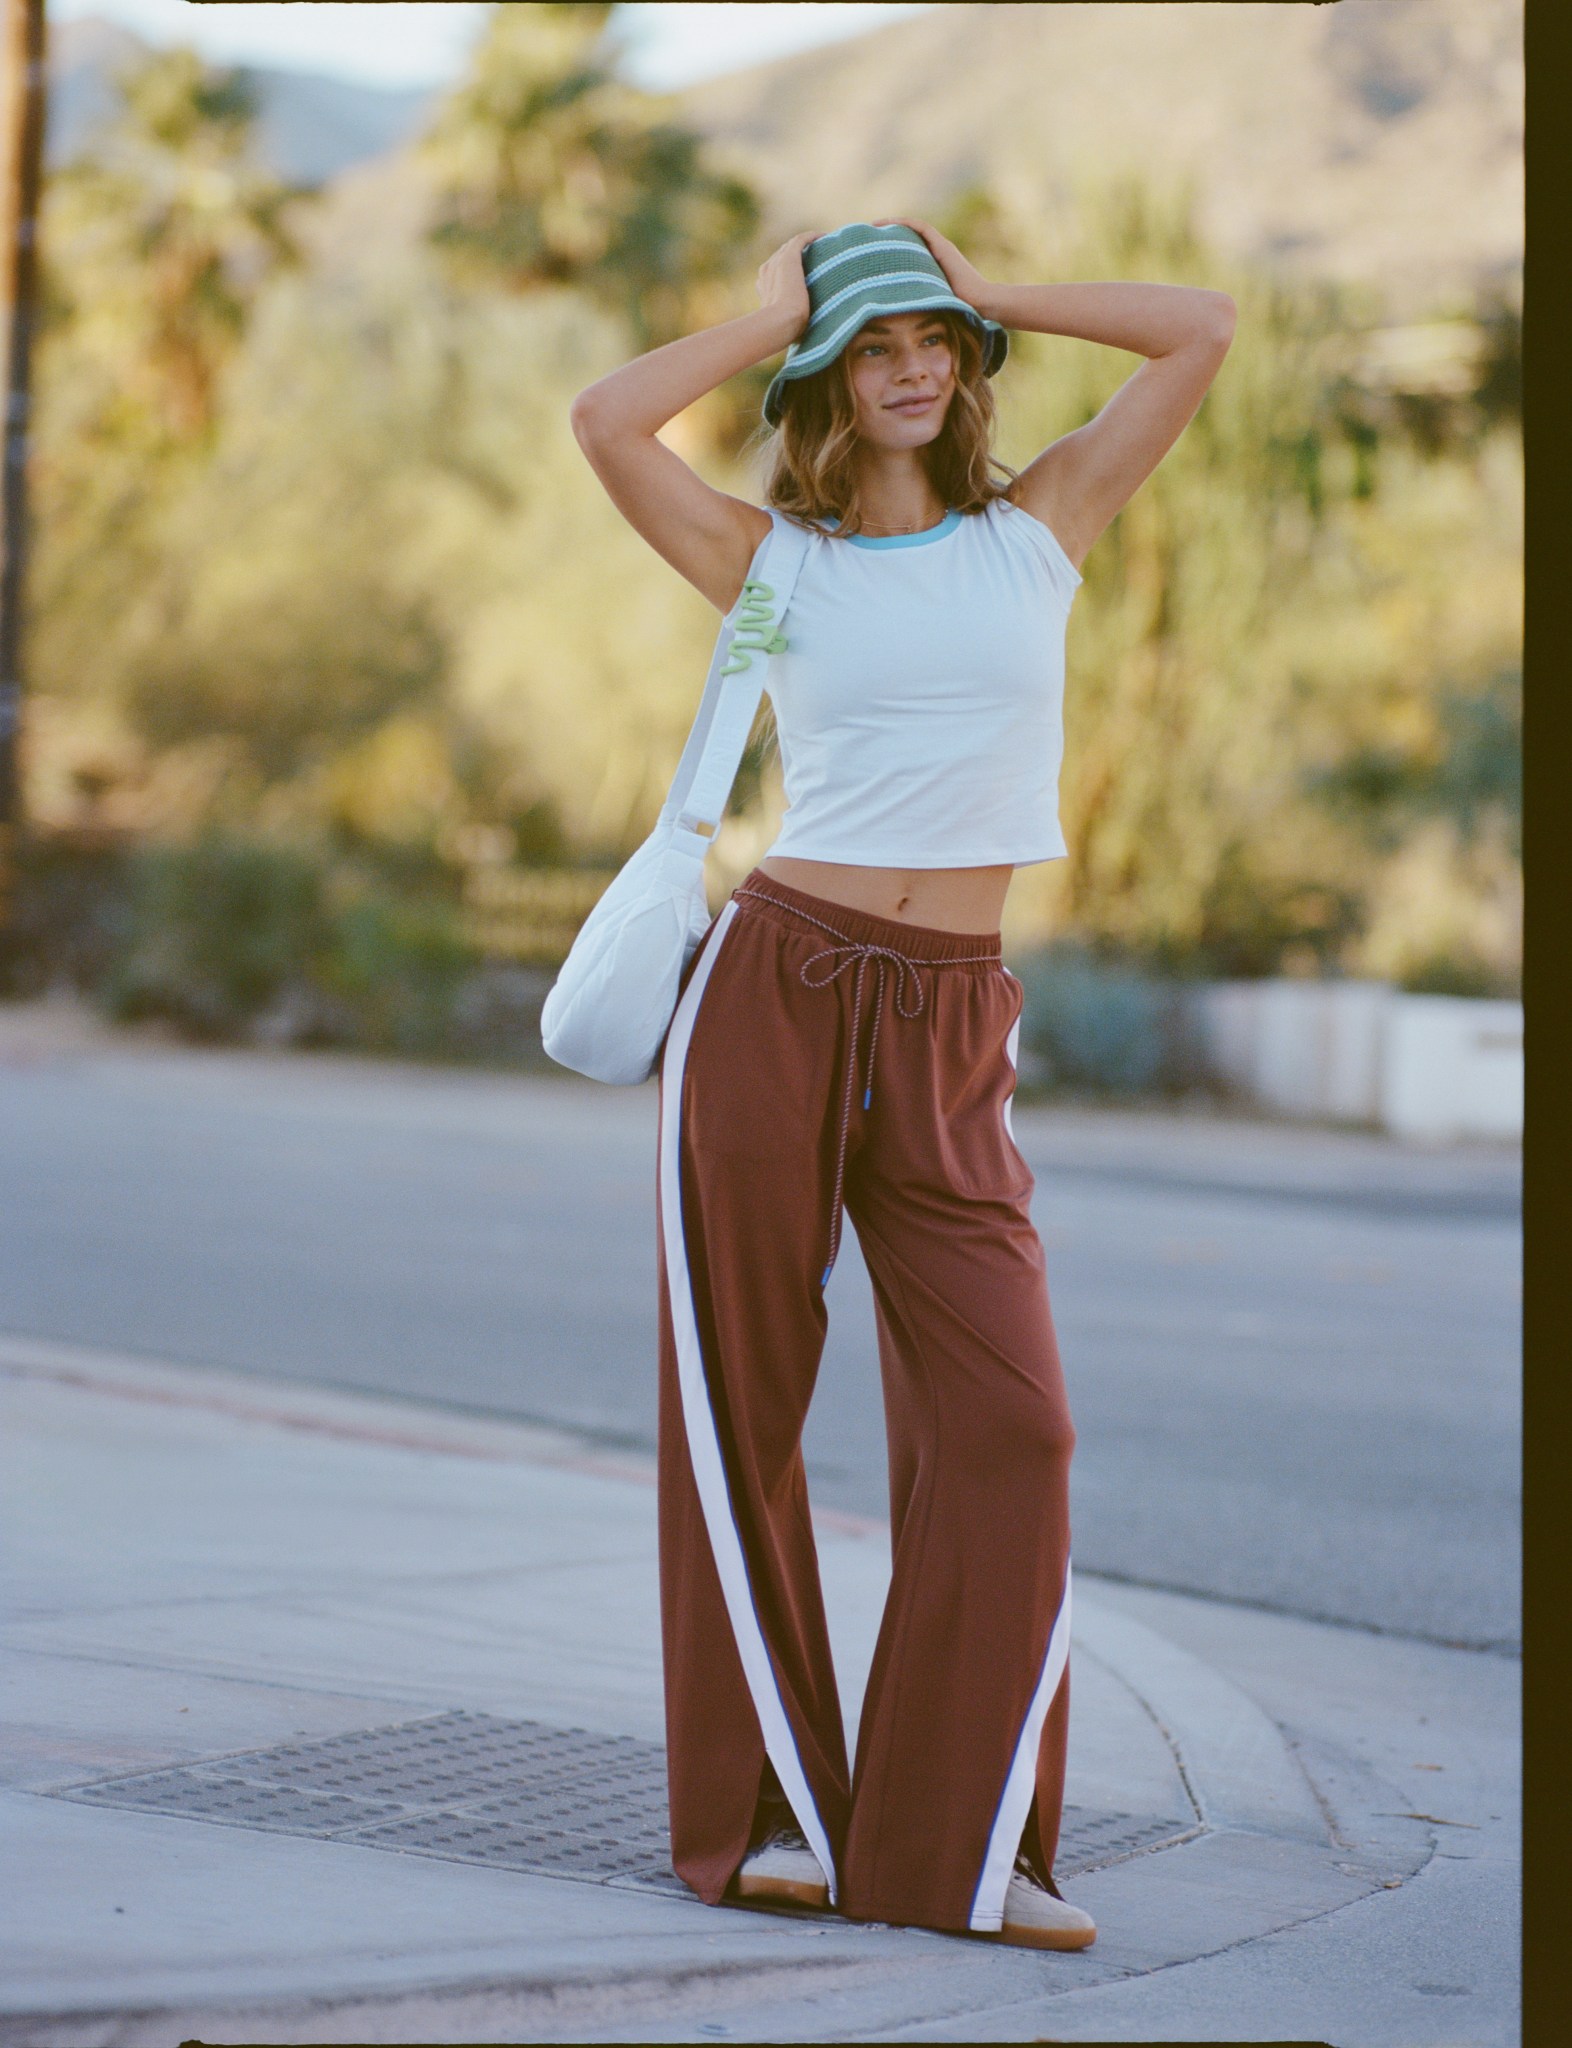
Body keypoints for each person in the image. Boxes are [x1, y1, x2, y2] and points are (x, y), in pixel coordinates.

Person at [570, 218, 1235, 1950]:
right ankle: (764, 1814)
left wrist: (980, 278)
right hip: (776, 991)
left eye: (935, 340)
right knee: (743, 1417)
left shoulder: (1043, 532)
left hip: (951, 1011)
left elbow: (1198, 330)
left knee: (1015, 1426)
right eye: (877, 347)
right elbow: (605, 421)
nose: (915, 365)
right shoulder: (774, 562)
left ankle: (968, 1835)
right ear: (828, 383)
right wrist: (775, 311)